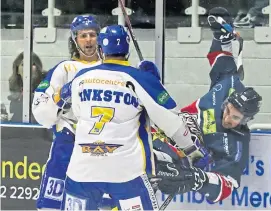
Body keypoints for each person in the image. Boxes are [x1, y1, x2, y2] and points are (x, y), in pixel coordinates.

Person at [57, 24, 209, 211]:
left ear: (101, 49)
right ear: (127, 49)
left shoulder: (81, 77)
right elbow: (172, 121)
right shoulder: (140, 79)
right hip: (125, 173)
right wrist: (193, 151)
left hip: (82, 170)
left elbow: (64, 102)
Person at [150, 7, 263, 204]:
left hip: (173, 156)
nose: (228, 119)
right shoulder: (228, 86)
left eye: (236, 118)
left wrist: (198, 180)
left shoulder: (236, 143)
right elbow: (222, 54)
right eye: (228, 111)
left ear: (246, 120)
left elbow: (227, 185)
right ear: (228, 101)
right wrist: (222, 31)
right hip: (160, 126)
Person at [31, 15, 101, 211]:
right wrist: (60, 97)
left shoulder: (112, 68)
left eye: (93, 35)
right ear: (75, 39)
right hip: (68, 141)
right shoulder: (64, 68)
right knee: (53, 202)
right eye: (83, 35)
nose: (88, 40)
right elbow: (41, 112)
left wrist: (147, 78)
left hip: (103, 144)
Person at [8, 51, 46, 123]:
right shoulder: (16, 89)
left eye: (32, 64)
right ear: (17, 70)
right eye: (23, 64)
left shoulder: (45, 87)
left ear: (38, 68)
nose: (28, 67)